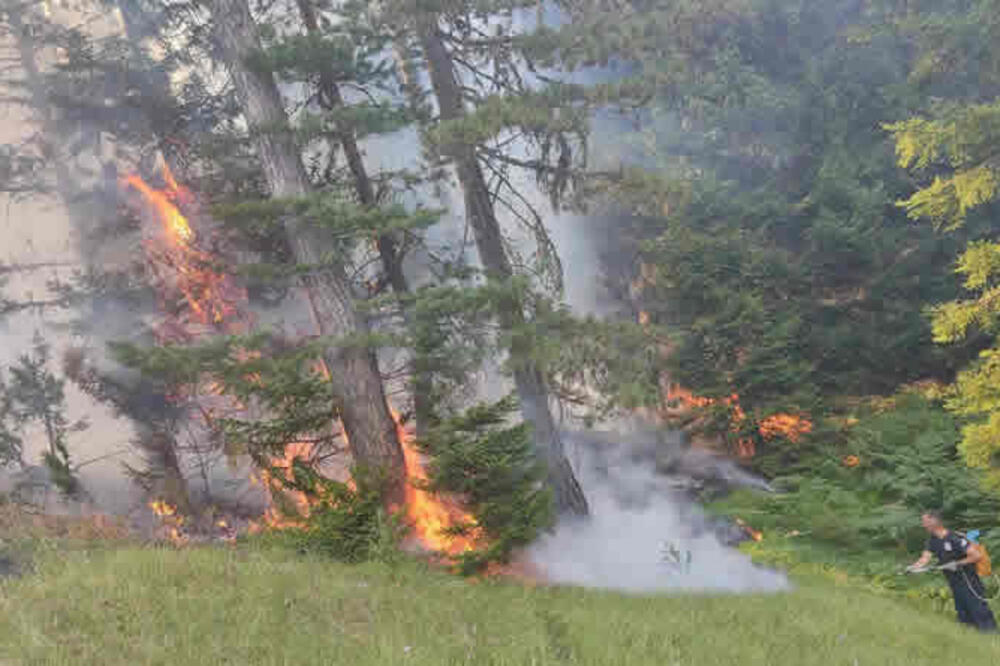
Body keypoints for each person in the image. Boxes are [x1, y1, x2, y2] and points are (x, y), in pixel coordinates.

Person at [907, 512, 997, 632]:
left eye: (925, 522)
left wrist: (957, 564)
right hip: (954, 581)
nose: (923, 525)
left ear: (934, 522)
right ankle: (970, 637)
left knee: (978, 610)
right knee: (962, 612)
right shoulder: (932, 540)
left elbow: (976, 556)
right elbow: (925, 558)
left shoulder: (954, 538)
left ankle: (991, 635)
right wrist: (914, 567)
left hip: (968, 580)